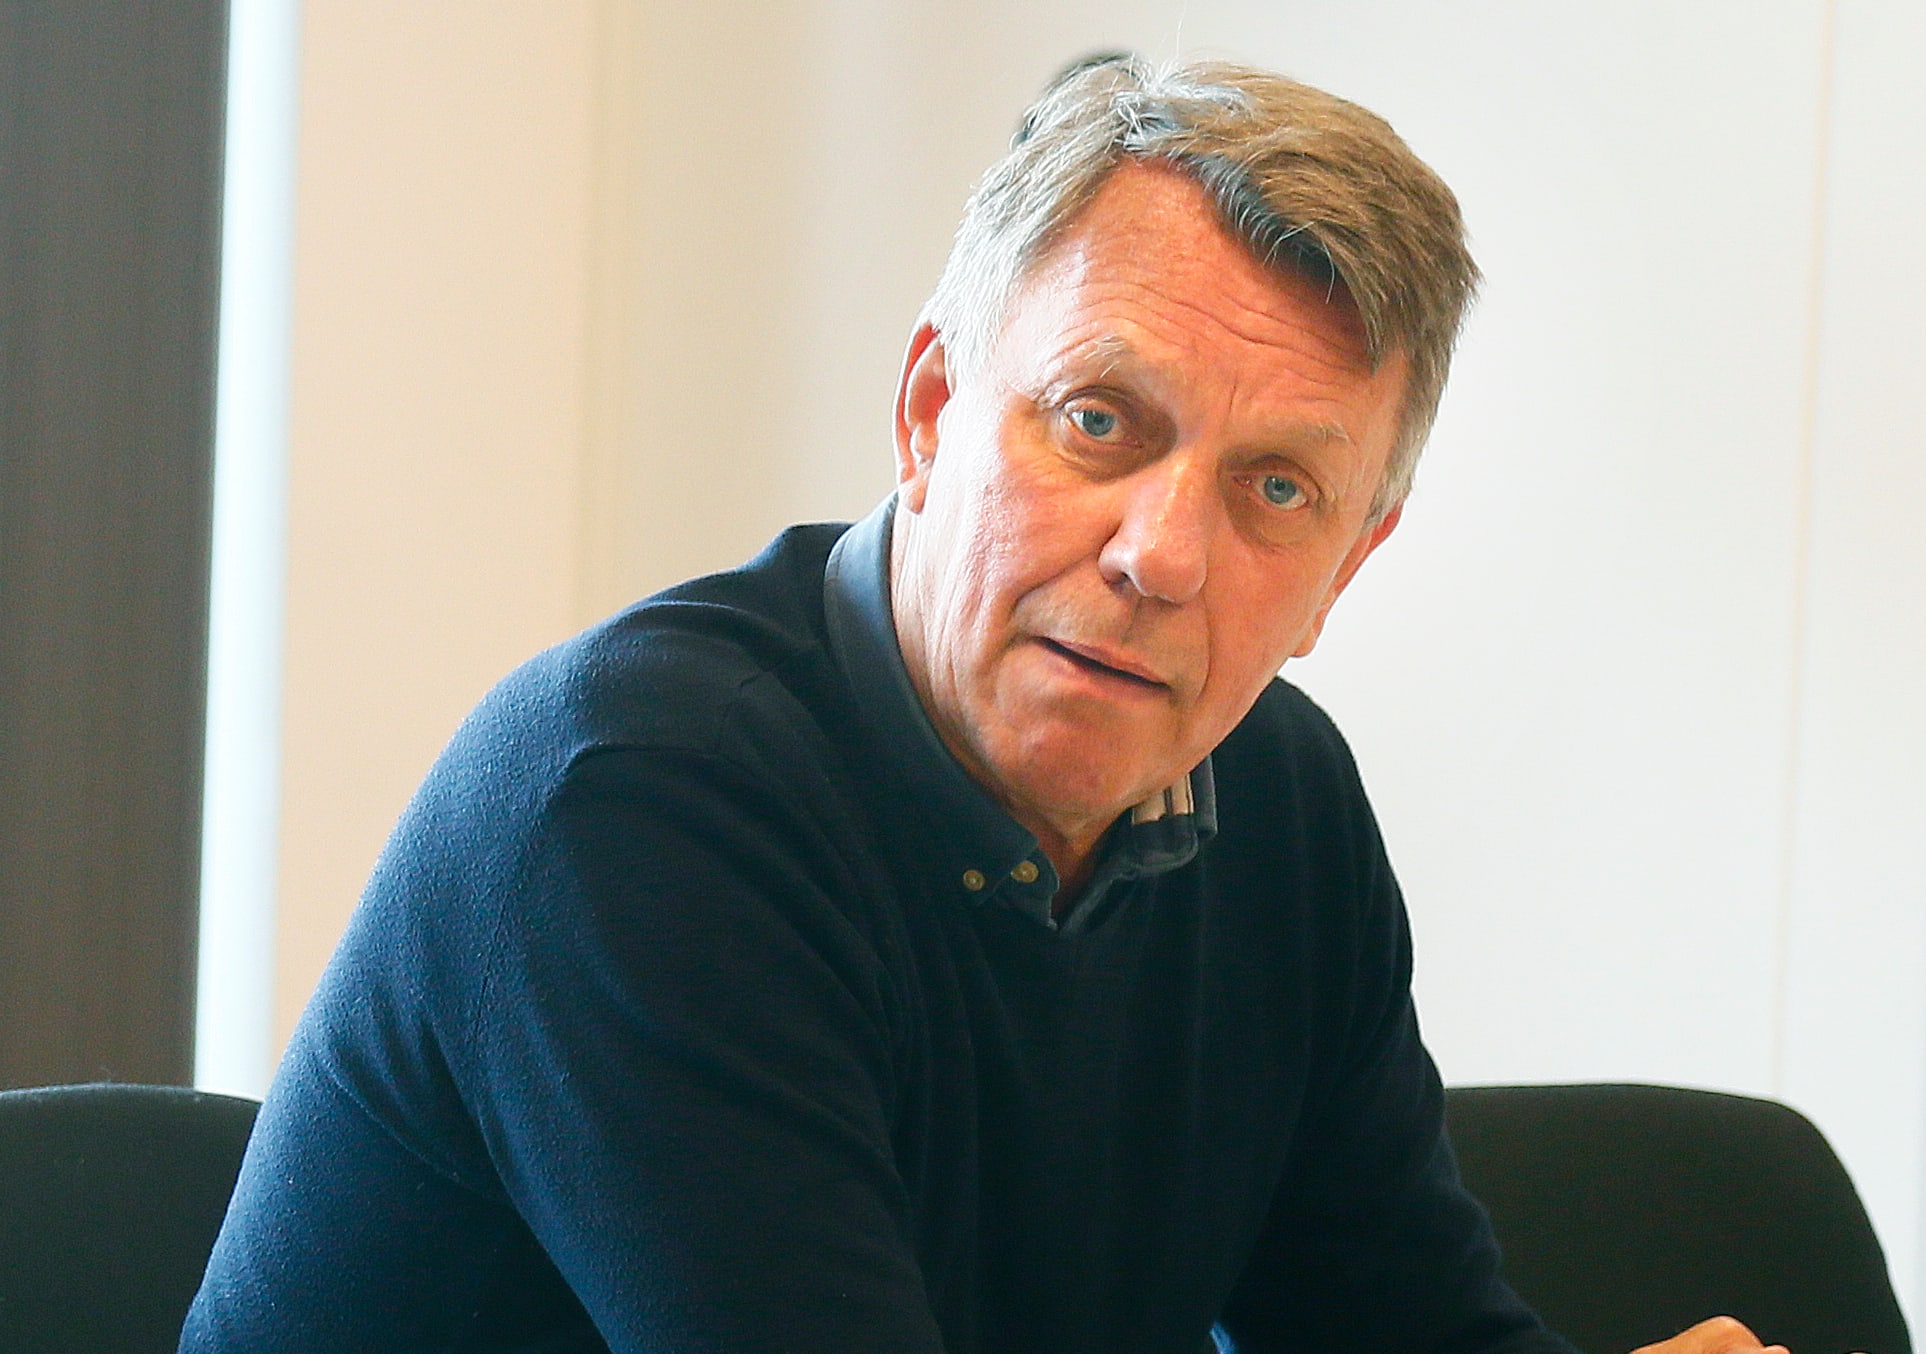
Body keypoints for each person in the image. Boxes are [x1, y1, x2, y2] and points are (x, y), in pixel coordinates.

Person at [183, 57, 1795, 1354]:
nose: (1162, 555)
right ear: (932, 410)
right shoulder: (630, 798)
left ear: (1344, 569)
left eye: (1275, 489)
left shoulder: (1279, 806)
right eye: (1099, 420)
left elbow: (1394, 1322)